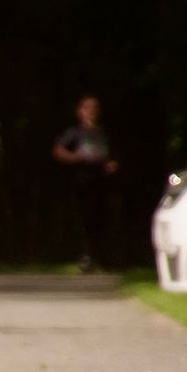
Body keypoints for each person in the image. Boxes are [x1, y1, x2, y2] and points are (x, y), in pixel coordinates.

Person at [51, 96, 118, 271]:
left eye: (95, 108)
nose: (92, 111)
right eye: (88, 108)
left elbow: (112, 154)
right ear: (80, 111)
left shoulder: (104, 132)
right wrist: (76, 157)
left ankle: (102, 258)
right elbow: (58, 150)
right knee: (84, 219)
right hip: (82, 181)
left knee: (102, 218)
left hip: (102, 181)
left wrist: (111, 164)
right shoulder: (74, 132)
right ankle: (85, 256)